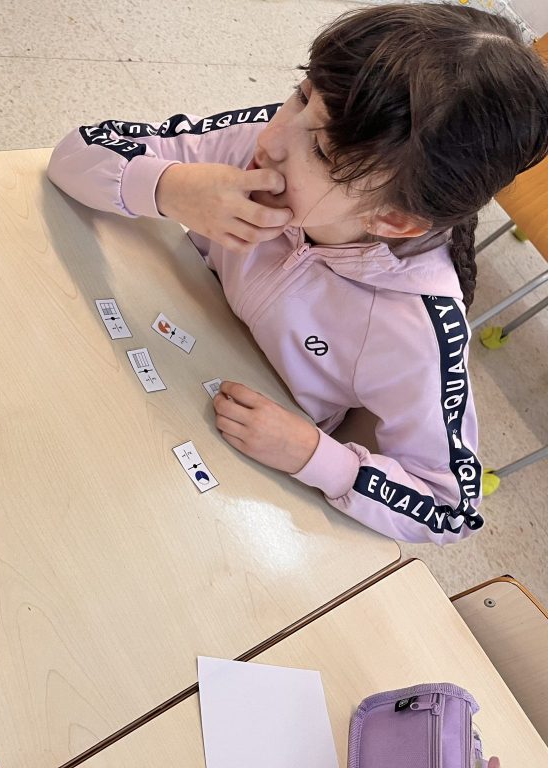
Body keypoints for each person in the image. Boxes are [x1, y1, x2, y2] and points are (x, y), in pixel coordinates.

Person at [47, 3, 548, 543]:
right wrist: (169, 187)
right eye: (302, 95)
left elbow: (451, 510)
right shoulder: (264, 139)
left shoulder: (417, 327)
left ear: (392, 220)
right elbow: (76, 152)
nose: (272, 138)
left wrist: (316, 456)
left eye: (321, 151)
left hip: (224, 449)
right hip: (153, 338)